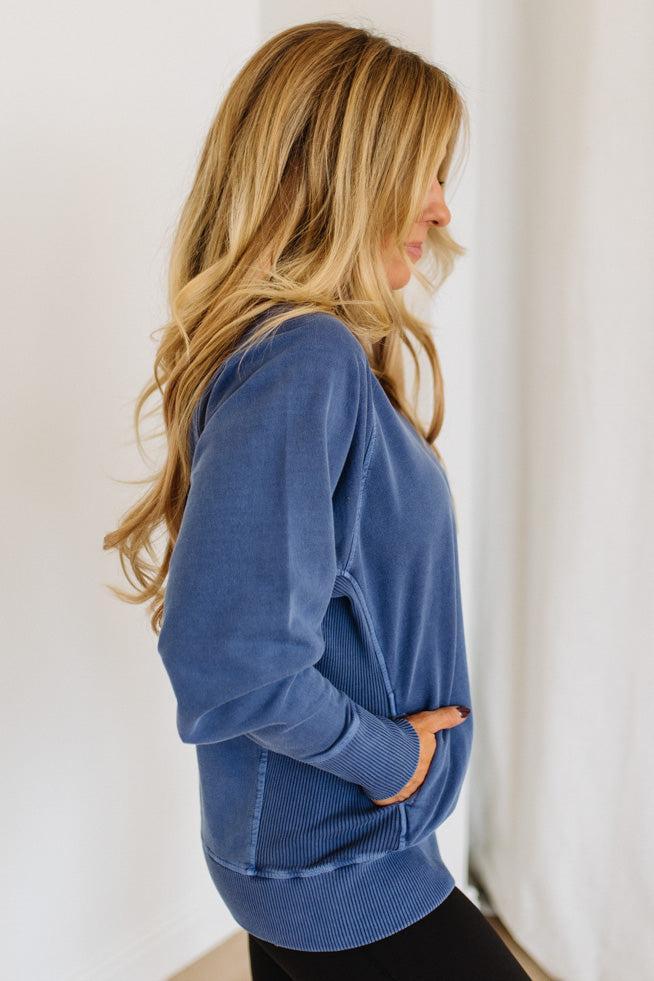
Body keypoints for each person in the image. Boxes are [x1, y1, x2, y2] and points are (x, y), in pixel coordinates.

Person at [103, 19, 530, 980]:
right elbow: (233, 665)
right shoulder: (306, 358)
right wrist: (397, 763)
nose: (441, 207)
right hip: (339, 856)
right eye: (424, 169)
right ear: (345, 170)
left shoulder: (299, 351)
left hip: (313, 846)